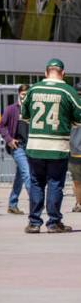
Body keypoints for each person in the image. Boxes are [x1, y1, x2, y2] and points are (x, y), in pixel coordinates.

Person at [21, 59, 81, 233]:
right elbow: (78, 117)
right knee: (55, 183)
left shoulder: (33, 89)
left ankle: (34, 222)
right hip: (57, 146)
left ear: (46, 72)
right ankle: (54, 222)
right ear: (63, 73)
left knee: (36, 183)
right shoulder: (67, 91)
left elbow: (24, 116)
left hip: (35, 145)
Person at [0, 85, 31, 215]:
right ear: (19, 94)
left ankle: (12, 204)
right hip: (17, 147)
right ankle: (36, 201)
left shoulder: (32, 109)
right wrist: (9, 139)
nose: (25, 96)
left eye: (27, 94)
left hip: (31, 147)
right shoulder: (11, 109)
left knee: (20, 176)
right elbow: (1, 126)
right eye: (23, 94)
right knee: (27, 174)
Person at [71, 81, 81, 213]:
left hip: (74, 150)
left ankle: (79, 203)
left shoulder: (71, 107)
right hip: (75, 150)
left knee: (77, 180)